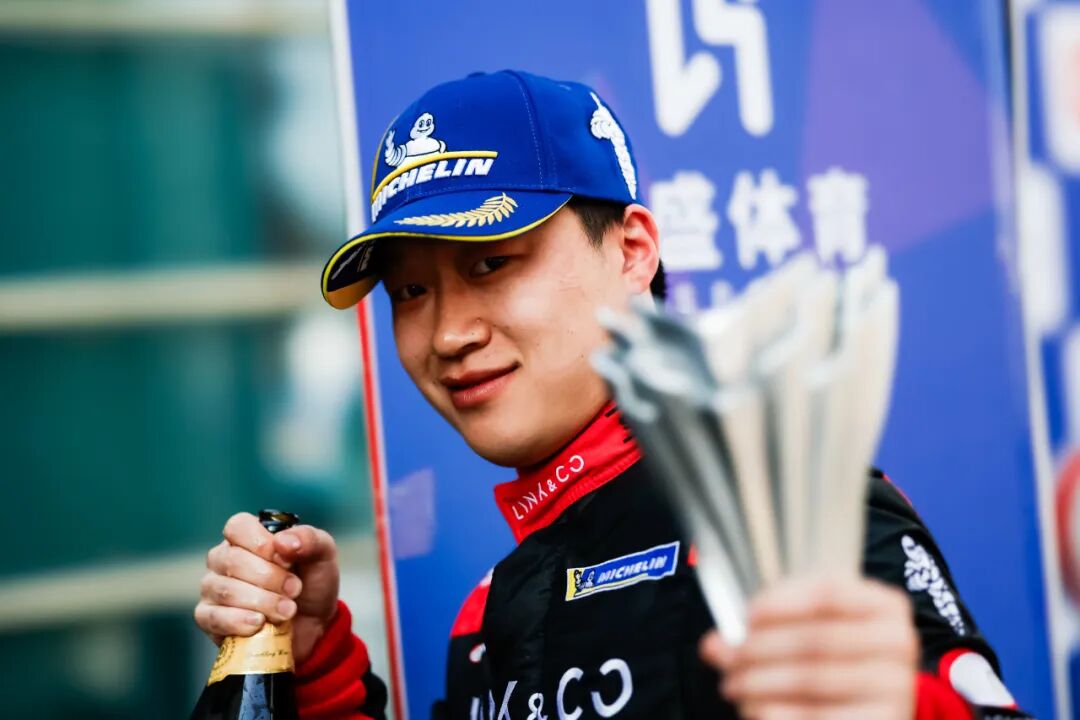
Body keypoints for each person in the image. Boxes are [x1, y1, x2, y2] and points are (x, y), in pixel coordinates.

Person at [194, 70, 1032, 719]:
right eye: (410, 292)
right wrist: (318, 666)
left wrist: (903, 705)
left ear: (632, 252)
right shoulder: (486, 612)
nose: (447, 333)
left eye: (491, 263)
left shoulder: (783, 526)